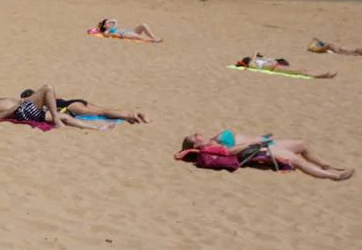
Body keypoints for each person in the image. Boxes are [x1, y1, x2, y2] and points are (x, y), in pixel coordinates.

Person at [182, 131, 353, 181]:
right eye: (194, 136)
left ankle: (325, 165)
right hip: (260, 150)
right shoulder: (209, 149)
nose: (198, 133)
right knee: (297, 160)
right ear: (196, 145)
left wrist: (261, 137)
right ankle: (333, 176)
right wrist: (254, 144)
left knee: (302, 143)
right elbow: (231, 152)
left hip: (265, 143)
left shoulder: (213, 141)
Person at [0, 86, 116, 130]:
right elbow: (0, 116)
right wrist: (17, 106)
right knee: (47, 89)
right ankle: (56, 119)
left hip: (26, 109)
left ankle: (96, 127)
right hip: (21, 110)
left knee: (65, 117)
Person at [18, 88, 150, 123]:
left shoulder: (41, 106)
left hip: (71, 108)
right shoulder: (49, 98)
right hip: (75, 101)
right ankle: (132, 115)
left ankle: (133, 115)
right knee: (103, 109)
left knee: (102, 113)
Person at [234, 54, 336, 78]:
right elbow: (249, 60)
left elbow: (255, 54)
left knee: (301, 70)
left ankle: (322, 74)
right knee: (300, 72)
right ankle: (322, 75)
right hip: (276, 67)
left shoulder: (256, 61)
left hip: (277, 65)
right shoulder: (253, 64)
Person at [94, 18, 162, 42]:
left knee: (143, 25)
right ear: (104, 26)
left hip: (130, 31)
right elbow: (108, 34)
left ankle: (153, 37)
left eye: (109, 22)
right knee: (140, 37)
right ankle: (153, 41)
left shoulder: (113, 28)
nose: (110, 23)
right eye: (108, 23)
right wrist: (101, 27)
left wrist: (110, 21)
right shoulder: (107, 31)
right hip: (125, 34)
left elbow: (115, 21)